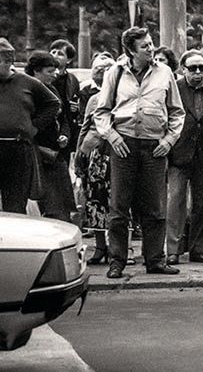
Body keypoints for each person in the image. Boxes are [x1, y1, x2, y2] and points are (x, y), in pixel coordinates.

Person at [93, 27, 185, 279]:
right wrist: (111, 136)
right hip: (123, 145)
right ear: (131, 50)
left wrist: (169, 140)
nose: (151, 48)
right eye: (144, 45)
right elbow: (101, 111)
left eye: (151, 43)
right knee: (119, 207)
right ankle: (117, 261)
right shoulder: (115, 72)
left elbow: (177, 112)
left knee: (155, 206)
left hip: (155, 146)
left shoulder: (165, 72)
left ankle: (155, 259)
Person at [165, 50, 203, 265]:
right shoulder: (174, 89)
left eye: (202, 68)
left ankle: (198, 249)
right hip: (178, 155)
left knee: (202, 204)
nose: (198, 72)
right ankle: (173, 249)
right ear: (183, 69)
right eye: (193, 68)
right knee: (175, 202)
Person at [0, 38, 61, 214]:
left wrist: (33, 127)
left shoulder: (26, 82)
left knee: (15, 205)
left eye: (2, 61)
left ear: (10, 62)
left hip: (18, 150)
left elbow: (53, 104)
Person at [24, 51, 75, 222]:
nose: (55, 74)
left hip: (55, 154)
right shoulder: (26, 91)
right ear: (35, 71)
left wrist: (64, 134)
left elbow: (65, 118)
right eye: (49, 71)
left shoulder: (53, 89)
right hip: (35, 154)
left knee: (61, 206)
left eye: (55, 70)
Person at [77, 54, 117, 263]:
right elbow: (85, 127)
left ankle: (121, 249)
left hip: (116, 153)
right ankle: (100, 247)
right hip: (94, 155)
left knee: (118, 202)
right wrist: (79, 156)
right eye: (98, 69)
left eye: (107, 69)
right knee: (95, 202)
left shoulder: (121, 95)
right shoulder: (93, 98)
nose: (102, 72)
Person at [48, 39, 82, 151]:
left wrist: (75, 108)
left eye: (60, 53)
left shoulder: (72, 80)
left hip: (65, 130)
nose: (55, 55)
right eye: (53, 52)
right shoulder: (44, 77)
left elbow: (76, 106)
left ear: (69, 60)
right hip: (48, 127)